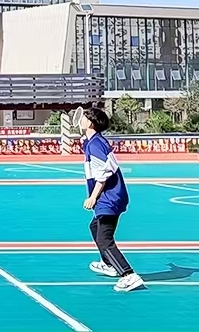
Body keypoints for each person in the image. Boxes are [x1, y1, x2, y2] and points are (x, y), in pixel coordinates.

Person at [80, 107, 144, 293]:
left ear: (90, 123)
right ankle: (109, 264)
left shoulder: (95, 144)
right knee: (95, 227)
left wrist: (93, 197)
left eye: (84, 117)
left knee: (104, 238)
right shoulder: (94, 142)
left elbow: (104, 173)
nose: (81, 119)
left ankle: (128, 275)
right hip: (111, 196)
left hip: (109, 197)